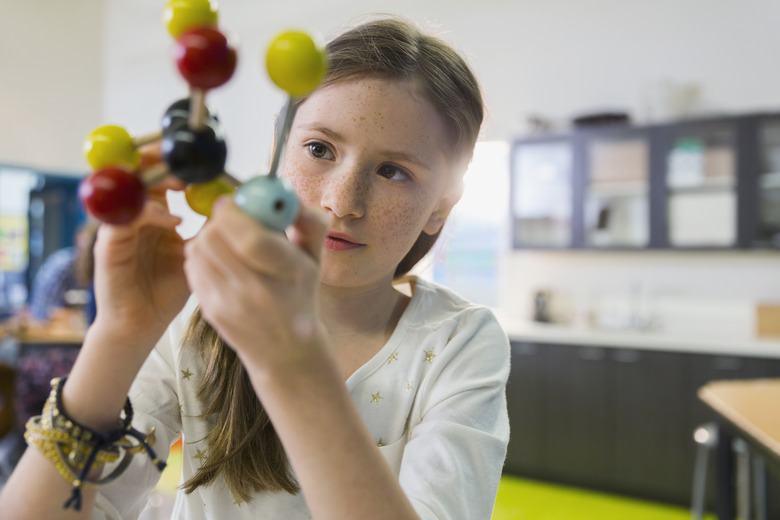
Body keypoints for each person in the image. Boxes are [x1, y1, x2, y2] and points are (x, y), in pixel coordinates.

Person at [0, 15, 510, 519]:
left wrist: (292, 364)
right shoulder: (198, 316)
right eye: (319, 149)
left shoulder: (458, 342)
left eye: (393, 171)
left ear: (442, 205)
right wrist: (118, 335)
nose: (342, 201)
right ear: (278, 151)